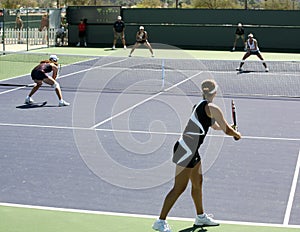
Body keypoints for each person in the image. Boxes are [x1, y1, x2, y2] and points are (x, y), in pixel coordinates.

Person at [152, 79, 242, 232]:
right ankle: (160, 222)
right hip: (186, 150)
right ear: (215, 92)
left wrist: (230, 129)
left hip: (191, 150)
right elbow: (227, 131)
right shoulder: (212, 107)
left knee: (198, 182)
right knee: (179, 188)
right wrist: (236, 134)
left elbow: (215, 126)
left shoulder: (199, 106)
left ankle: (200, 217)